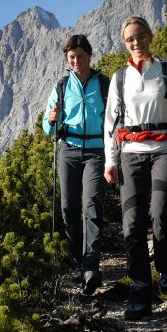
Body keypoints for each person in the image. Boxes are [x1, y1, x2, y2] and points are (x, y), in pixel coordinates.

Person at [103, 17, 167, 320]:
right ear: (124, 42)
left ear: (150, 36)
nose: (136, 43)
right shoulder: (119, 79)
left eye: (140, 36)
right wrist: (110, 161)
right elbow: (110, 125)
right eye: (130, 39)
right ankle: (140, 292)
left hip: (166, 151)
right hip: (131, 154)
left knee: (161, 212)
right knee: (132, 224)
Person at [42, 34, 110, 296]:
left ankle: (91, 266)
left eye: (80, 56)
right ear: (67, 59)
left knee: (92, 203)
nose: (76, 61)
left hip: (96, 151)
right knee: (69, 207)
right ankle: (77, 262)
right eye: (72, 57)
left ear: (89, 55)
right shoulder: (60, 87)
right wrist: (51, 119)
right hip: (69, 150)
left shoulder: (103, 84)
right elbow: (49, 128)